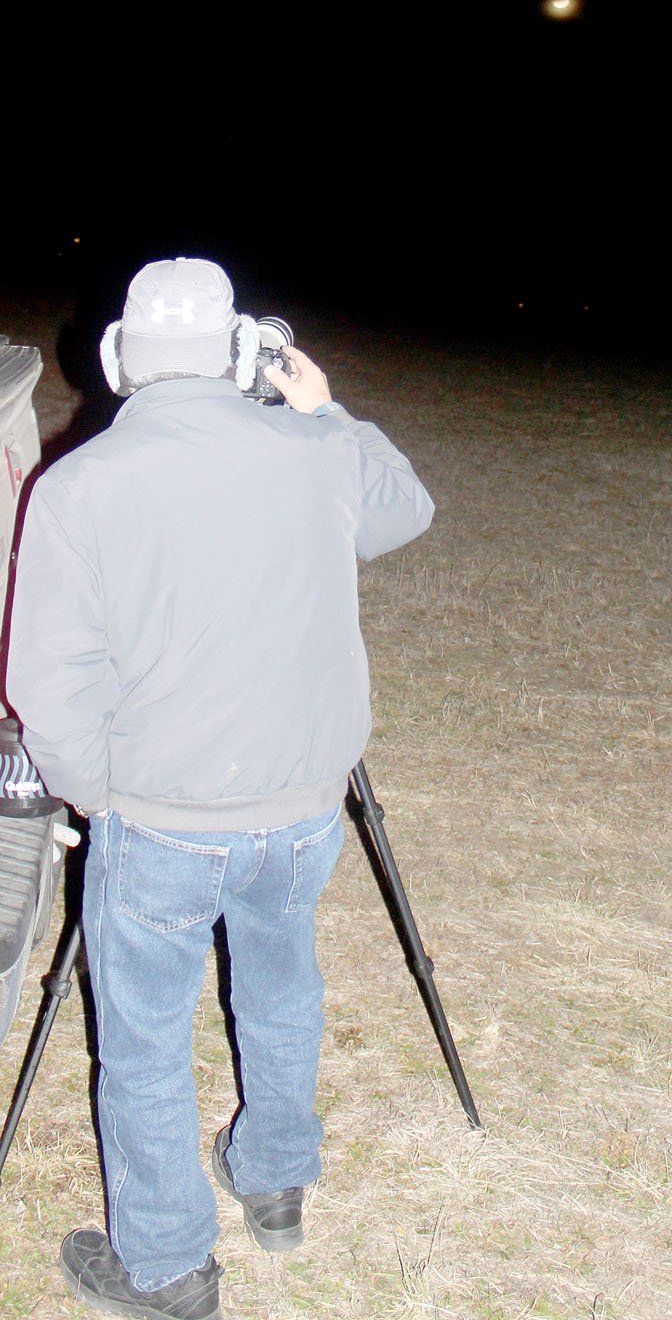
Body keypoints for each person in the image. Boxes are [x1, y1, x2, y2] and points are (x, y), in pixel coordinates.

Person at [7, 257, 434, 1320]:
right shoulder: (310, 455)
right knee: (282, 983)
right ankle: (276, 1178)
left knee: (145, 1039)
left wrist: (91, 792)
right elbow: (405, 512)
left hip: (160, 818)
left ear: (118, 360)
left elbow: (43, 679)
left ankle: (166, 1266)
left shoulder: (75, 488)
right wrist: (329, 411)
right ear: (243, 352)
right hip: (301, 809)